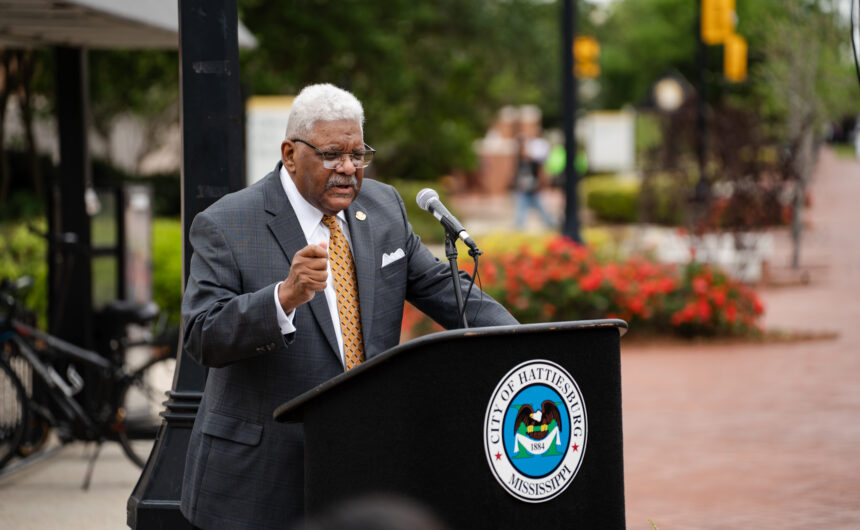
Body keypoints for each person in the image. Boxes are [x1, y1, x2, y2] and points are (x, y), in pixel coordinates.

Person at [179, 83, 518, 530]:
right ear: (289, 153)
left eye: (358, 155)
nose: (348, 169)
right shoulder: (228, 223)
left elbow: (442, 285)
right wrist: (283, 298)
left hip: (361, 462)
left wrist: (524, 340)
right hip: (262, 476)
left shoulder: (382, 207)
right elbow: (201, 335)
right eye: (332, 154)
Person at [512, 135, 555, 229]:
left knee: (541, 209)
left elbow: (541, 175)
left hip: (534, 189)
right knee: (521, 210)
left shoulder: (534, 162)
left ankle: (552, 223)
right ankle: (519, 227)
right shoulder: (520, 161)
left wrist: (539, 186)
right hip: (524, 190)